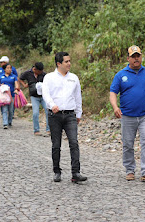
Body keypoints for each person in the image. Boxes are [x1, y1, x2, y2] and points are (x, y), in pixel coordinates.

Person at [109, 45, 145, 183]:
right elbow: (113, 92)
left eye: (138, 56)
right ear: (128, 58)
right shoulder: (121, 75)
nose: (136, 59)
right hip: (128, 115)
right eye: (133, 56)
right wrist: (115, 107)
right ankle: (130, 170)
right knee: (128, 144)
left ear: (141, 57)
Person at [42, 52, 87, 183]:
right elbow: (46, 93)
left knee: (74, 143)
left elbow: (78, 96)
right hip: (54, 115)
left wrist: (78, 113)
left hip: (70, 115)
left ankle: (76, 172)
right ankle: (57, 171)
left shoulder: (74, 78)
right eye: (66, 61)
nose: (69, 63)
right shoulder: (49, 77)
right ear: (59, 63)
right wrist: (52, 104)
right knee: (56, 145)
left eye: (69, 61)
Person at [19, 62, 50, 136]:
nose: (41, 72)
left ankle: (48, 130)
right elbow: (20, 78)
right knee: (35, 113)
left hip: (43, 96)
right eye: (40, 71)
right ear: (35, 69)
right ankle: (36, 130)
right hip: (34, 96)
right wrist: (24, 85)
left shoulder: (44, 75)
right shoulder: (27, 73)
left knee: (48, 111)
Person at [0, 63, 19, 129]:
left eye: (10, 68)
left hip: (11, 95)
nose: (9, 69)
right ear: (4, 69)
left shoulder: (14, 76)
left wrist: (16, 89)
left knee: (11, 110)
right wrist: (0, 86)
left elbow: (16, 84)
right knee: (4, 109)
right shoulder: (1, 76)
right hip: (3, 95)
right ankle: (5, 123)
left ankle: (9, 121)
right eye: (8, 68)